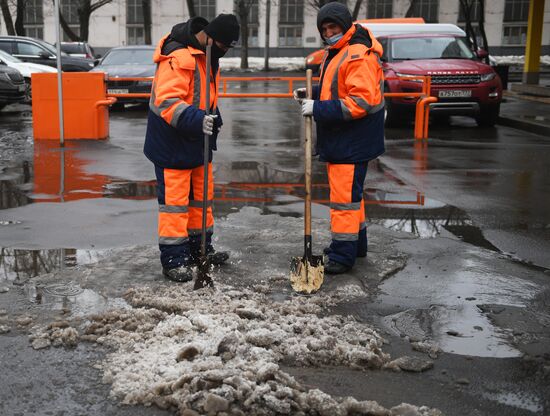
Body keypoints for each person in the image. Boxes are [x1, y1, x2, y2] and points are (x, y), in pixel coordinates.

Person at [144, 14, 240, 282]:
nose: (223, 51)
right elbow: (166, 102)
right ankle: (174, 259)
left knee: (201, 200)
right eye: (223, 45)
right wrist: (199, 119)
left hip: (197, 140)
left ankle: (201, 250)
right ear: (210, 37)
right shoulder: (178, 56)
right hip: (172, 143)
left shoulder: (208, 57)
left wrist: (213, 115)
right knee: (174, 205)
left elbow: (200, 96)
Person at [294, 2, 385, 275]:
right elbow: (338, 88)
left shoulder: (357, 53)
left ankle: (342, 256)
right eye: (324, 28)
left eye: (333, 26)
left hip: (352, 140)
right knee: (352, 198)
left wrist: (318, 108)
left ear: (344, 25)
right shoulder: (339, 51)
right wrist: (313, 93)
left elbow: (359, 101)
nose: (328, 32)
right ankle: (356, 246)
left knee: (344, 200)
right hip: (348, 139)